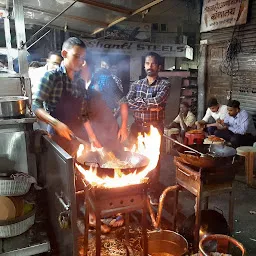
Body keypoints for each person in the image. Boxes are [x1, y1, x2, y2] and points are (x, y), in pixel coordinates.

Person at [126, 52, 171, 204]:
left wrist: (139, 103)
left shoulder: (165, 84)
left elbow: (158, 102)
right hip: (136, 127)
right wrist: (149, 105)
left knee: (154, 161)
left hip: (154, 128)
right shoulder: (136, 84)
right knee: (133, 157)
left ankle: (152, 191)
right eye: (146, 63)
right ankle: (135, 188)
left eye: (152, 64)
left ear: (159, 67)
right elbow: (128, 102)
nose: (149, 67)